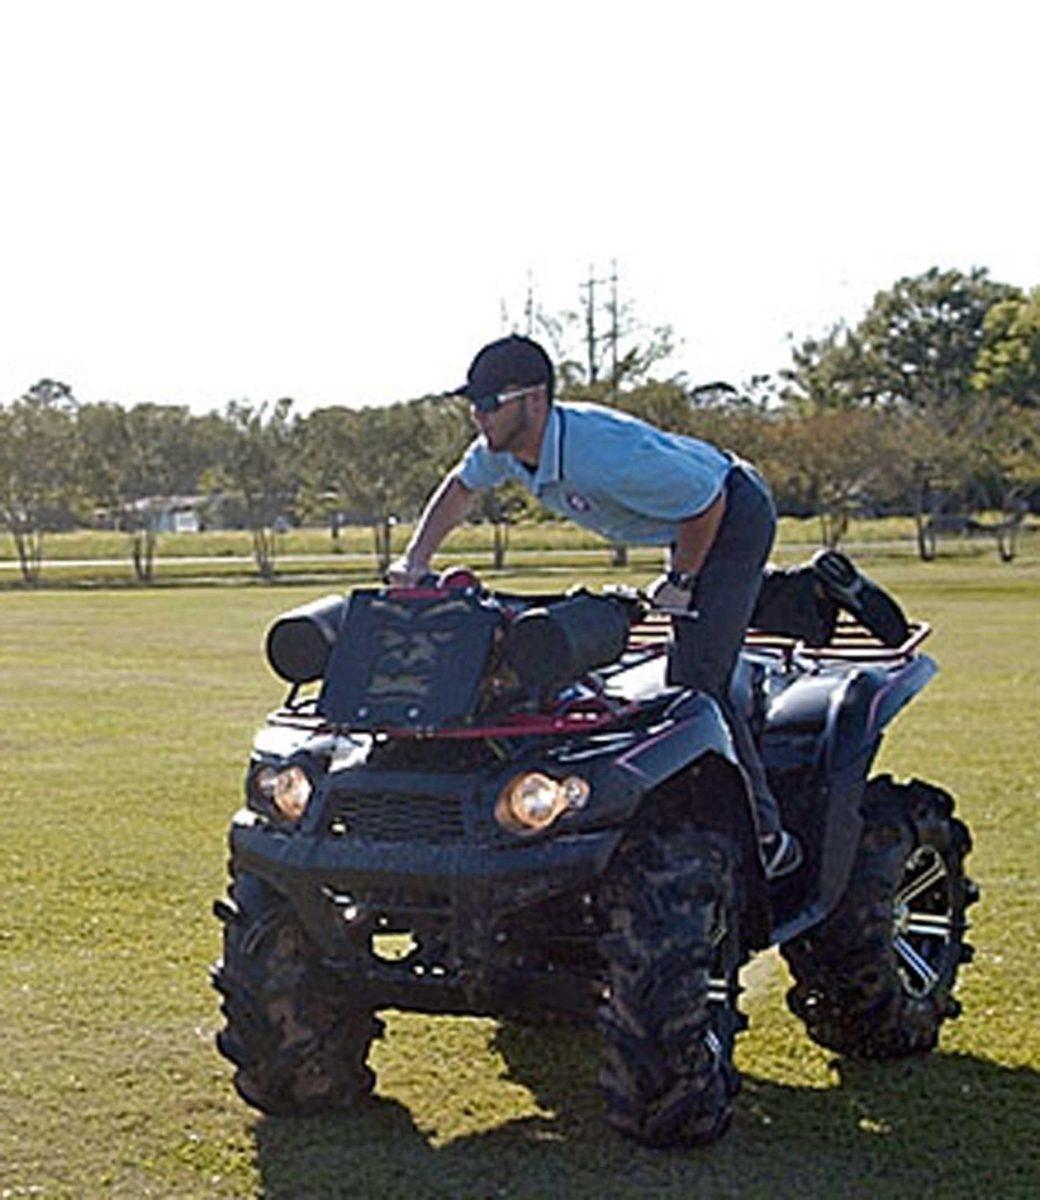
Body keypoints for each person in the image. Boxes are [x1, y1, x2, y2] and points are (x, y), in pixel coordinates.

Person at [388, 334, 904, 879]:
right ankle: (803, 595)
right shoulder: (507, 452)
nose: (478, 415)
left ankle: (767, 836)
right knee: (704, 618)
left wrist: (681, 578)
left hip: (732, 513)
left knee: (699, 679)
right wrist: (414, 561)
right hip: (686, 516)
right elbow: (459, 488)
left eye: (490, 403)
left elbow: (708, 503)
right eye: (473, 403)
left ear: (534, 401)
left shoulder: (602, 453)